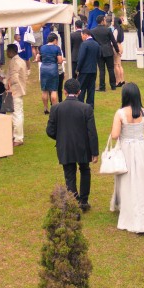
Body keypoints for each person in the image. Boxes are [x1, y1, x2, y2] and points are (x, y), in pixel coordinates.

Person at [109, 83, 144, 234]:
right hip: (141, 148)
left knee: (127, 178)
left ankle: (128, 208)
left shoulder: (120, 113)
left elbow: (115, 135)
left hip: (126, 150)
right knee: (143, 178)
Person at [47, 78, 99, 212]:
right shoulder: (86, 108)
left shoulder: (56, 108)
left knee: (69, 174)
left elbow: (50, 131)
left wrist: (61, 138)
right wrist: (95, 152)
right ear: (79, 92)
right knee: (85, 170)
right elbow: (92, 132)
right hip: (83, 146)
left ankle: (74, 202)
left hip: (65, 146)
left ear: (64, 92)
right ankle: (83, 201)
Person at [5, 44, 28, 146]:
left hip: (15, 90)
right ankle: (17, 135)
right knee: (18, 113)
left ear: (11, 51)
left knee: (16, 114)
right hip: (19, 89)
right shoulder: (21, 60)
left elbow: (14, 78)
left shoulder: (15, 62)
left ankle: (18, 138)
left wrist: (7, 84)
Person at [90, 16, 120, 91]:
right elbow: (113, 41)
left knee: (102, 70)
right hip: (108, 51)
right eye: (105, 20)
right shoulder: (108, 30)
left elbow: (92, 42)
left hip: (99, 51)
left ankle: (102, 86)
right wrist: (117, 50)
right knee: (111, 69)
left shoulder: (93, 31)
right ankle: (113, 85)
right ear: (102, 21)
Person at [39, 33, 63, 114]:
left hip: (43, 69)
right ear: (55, 40)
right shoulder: (57, 48)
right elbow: (59, 61)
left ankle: (45, 108)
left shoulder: (42, 47)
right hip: (53, 69)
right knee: (53, 89)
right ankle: (54, 109)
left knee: (44, 90)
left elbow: (39, 58)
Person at [75, 28, 100, 107]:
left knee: (81, 87)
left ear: (85, 35)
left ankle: (80, 104)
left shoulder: (84, 44)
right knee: (91, 88)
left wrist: (78, 69)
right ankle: (90, 105)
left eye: (82, 36)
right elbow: (99, 56)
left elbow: (81, 57)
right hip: (93, 69)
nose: (82, 38)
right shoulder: (96, 44)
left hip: (84, 70)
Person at [112, 16, 127, 87]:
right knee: (119, 64)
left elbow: (114, 41)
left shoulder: (115, 30)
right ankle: (122, 79)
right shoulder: (121, 29)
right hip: (120, 45)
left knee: (116, 64)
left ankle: (118, 81)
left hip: (116, 46)